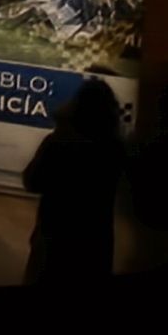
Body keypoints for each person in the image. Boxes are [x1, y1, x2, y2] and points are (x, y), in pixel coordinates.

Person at [22, 77, 124, 286]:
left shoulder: (59, 142)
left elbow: (32, 181)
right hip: (95, 243)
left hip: (54, 237)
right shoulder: (116, 150)